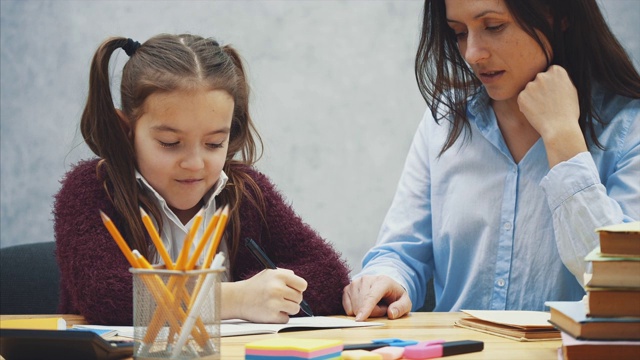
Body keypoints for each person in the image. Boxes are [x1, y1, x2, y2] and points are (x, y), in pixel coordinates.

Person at [343, 0, 640, 321]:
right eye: (458, 32)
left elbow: (622, 286)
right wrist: (387, 281)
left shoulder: (626, 128)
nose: (472, 53)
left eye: (493, 26)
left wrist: (562, 137)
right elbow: (401, 252)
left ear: (560, 15)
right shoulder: (445, 121)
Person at [54, 34, 350, 325]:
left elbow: (328, 275)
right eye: (170, 143)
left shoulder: (246, 192)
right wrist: (236, 299)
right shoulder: (91, 189)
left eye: (213, 144)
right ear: (125, 131)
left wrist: (270, 293)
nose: (194, 164)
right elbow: (107, 298)